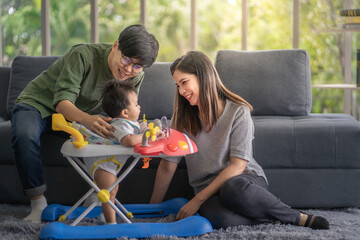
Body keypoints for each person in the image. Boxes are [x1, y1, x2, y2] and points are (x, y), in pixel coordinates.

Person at [149, 51, 330, 230]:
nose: (181, 91)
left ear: (203, 76)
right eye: (177, 86)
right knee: (218, 218)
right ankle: (265, 216)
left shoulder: (238, 111)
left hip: (243, 181)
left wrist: (196, 201)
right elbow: (167, 166)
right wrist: (152, 209)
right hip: (209, 193)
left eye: (184, 82)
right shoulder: (182, 119)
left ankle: (295, 217)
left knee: (232, 189)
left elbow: (237, 166)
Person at [11, 24, 159, 223]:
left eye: (137, 66)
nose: (128, 69)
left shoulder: (135, 76)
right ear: (115, 45)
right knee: (24, 135)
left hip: (79, 118)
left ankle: (96, 192)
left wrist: (143, 131)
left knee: (109, 137)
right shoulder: (83, 55)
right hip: (39, 104)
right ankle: (38, 204)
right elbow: (62, 103)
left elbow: (124, 116)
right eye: (126, 60)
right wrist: (87, 120)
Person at [78, 80, 153, 225]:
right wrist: (147, 136)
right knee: (109, 194)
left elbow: (138, 131)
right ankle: (111, 224)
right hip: (102, 164)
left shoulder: (129, 124)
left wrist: (151, 130)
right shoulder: (120, 125)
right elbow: (129, 141)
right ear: (125, 112)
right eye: (136, 104)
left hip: (109, 164)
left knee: (112, 191)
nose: (139, 106)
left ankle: (104, 216)